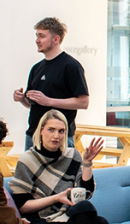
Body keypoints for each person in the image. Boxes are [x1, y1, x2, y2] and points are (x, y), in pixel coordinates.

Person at [9, 110, 117, 224]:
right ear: (41, 131)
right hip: (41, 220)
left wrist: (87, 163)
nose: (56, 136)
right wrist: (56, 198)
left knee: (94, 216)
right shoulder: (27, 160)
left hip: (68, 215)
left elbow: (86, 193)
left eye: (61, 131)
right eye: (51, 130)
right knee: (97, 222)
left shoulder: (72, 155)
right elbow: (23, 206)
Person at [13, 17, 89, 149]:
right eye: (36, 36)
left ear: (56, 39)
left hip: (58, 138)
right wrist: (22, 99)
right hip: (34, 135)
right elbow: (34, 105)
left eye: (42, 36)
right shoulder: (36, 68)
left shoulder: (71, 66)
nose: (37, 40)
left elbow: (83, 102)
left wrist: (49, 101)